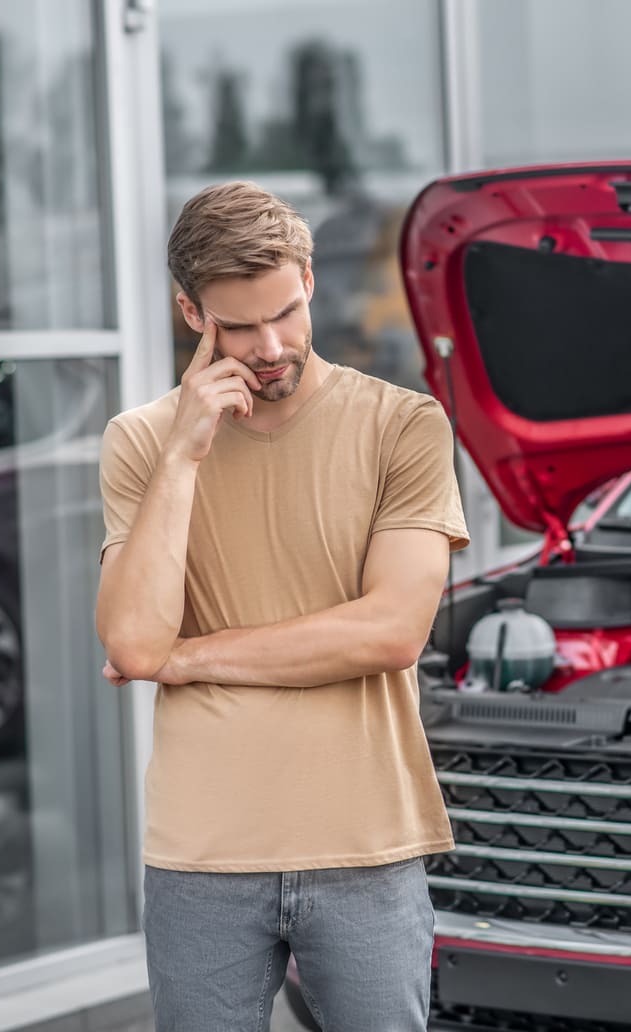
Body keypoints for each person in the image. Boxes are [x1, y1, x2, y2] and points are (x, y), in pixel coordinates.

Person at [95, 181, 467, 1031]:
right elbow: (131, 635)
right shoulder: (143, 442)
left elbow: (391, 630)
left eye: (287, 313)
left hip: (367, 843)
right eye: (238, 325)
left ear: (306, 278)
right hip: (202, 852)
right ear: (192, 313)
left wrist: (189, 657)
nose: (270, 347)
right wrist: (186, 456)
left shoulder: (403, 426)